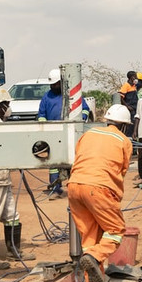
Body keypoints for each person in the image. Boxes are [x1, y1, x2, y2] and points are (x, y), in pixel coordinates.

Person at [68, 104, 133, 282]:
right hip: (99, 188)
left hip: (74, 186)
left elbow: (78, 157)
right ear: (124, 125)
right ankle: (95, 257)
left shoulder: (89, 134)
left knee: (90, 238)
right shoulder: (123, 140)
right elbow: (121, 171)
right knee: (115, 231)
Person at [0, 87, 35, 270]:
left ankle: (14, 250)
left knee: (12, 215)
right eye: (7, 104)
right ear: (1, 105)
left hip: (2, 178)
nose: (9, 108)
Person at [38, 68, 91, 199]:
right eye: (51, 84)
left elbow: (84, 109)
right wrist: (45, 127)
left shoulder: (72, 94)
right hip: (53, 135)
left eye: (55, 84)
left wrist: (82, 118)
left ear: (61, 82)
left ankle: (74, 190)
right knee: (54, 163)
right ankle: (55, 189)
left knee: (73, 161)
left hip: (71, 134)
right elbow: (41, 115)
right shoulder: (46, 97)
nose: (53, 86)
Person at [119, 71, 139, 137]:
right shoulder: (126, 85)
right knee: (129, 127)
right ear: (132, 77)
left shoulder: (134, 86)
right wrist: (127, 106)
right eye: (135, 77)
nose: (136, 78)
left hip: (134, 108)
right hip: (129, 109)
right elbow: (121, 97)